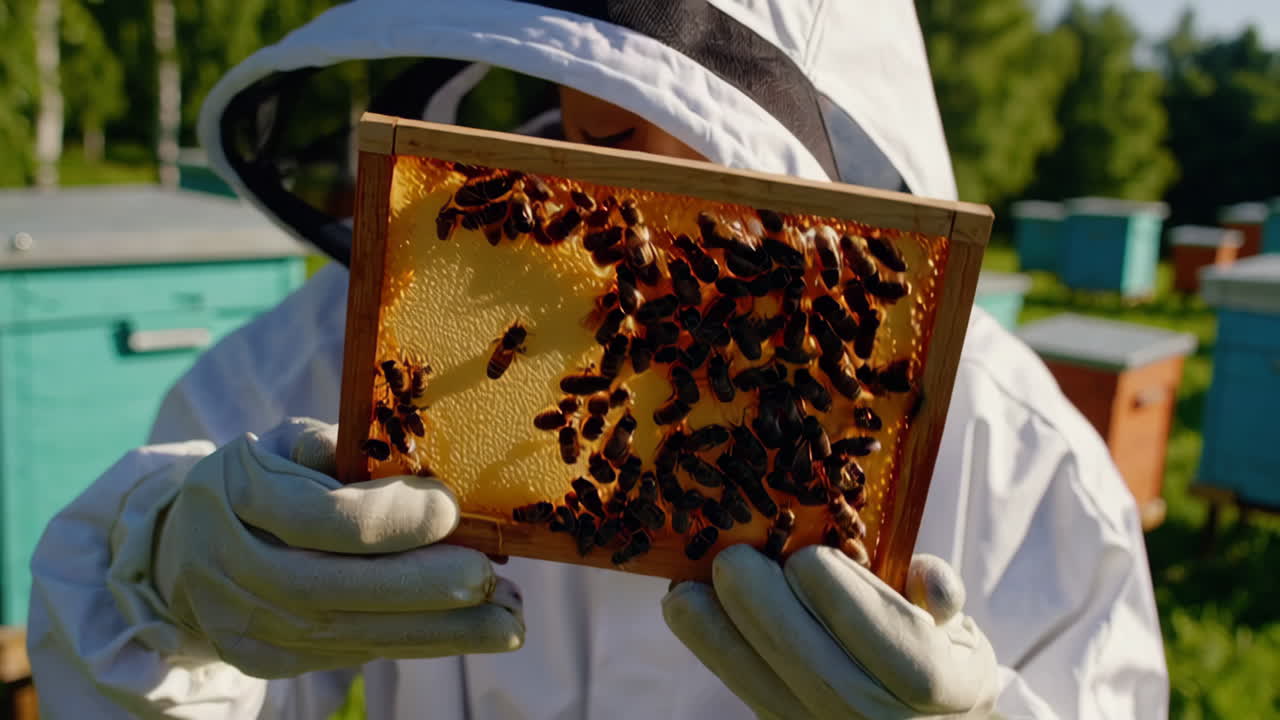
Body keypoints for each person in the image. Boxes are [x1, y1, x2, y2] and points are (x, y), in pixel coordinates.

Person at [27, 2, 1170, 718]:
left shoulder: (1015, 456)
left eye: (637, 75)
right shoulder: (346, 340)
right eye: (574, 75)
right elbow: (128, 664)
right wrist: (161, 581)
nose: (590, 119)